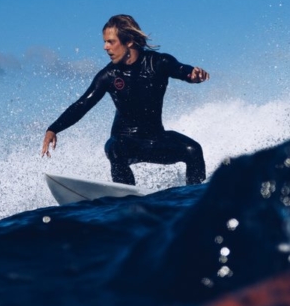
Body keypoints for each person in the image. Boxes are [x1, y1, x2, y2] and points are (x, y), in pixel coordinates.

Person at [41, 14, 210, 186]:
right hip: (126, 141)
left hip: (156, 139)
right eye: (105, 42)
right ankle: (126, 198)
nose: (105, 47)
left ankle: (194, 199)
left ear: (128, 41)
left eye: (110, 41)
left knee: (193, 150)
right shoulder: (108, 75)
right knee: (115, 148)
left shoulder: (158, 62)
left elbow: (180, 69)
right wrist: (53, 128)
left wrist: (192, 74)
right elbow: (82, 104)